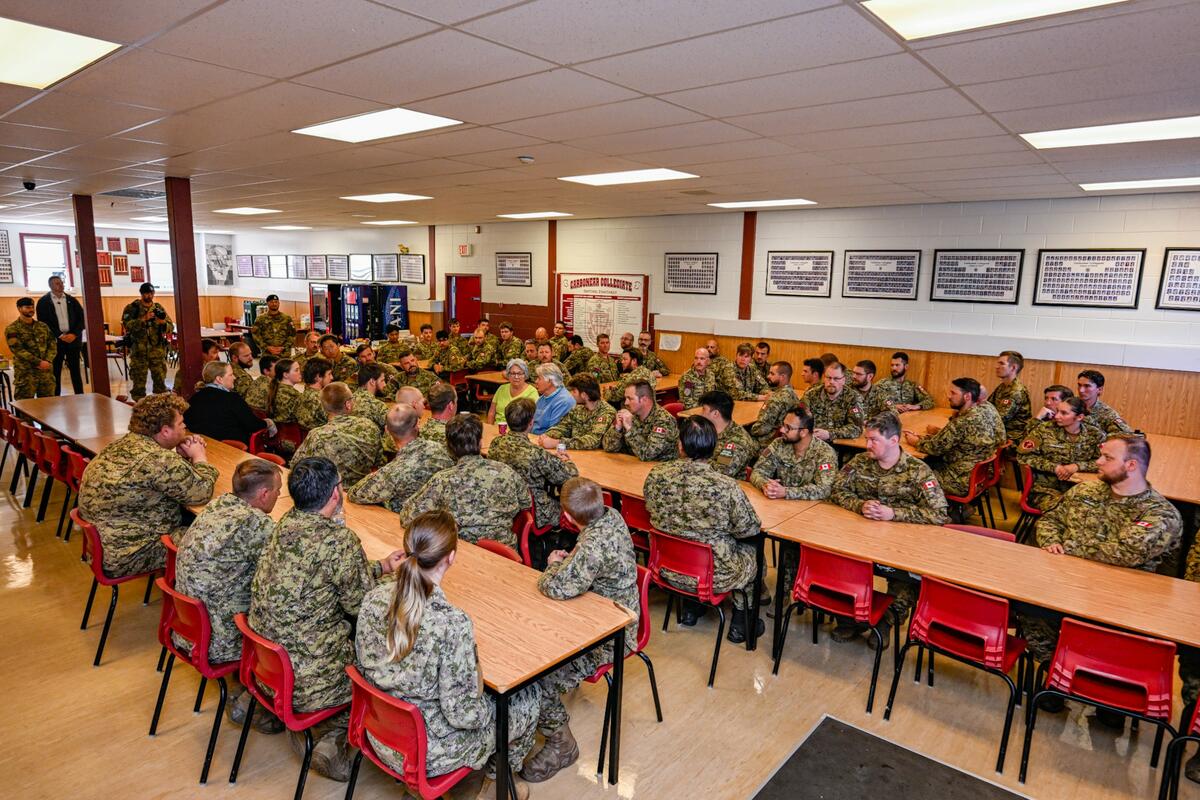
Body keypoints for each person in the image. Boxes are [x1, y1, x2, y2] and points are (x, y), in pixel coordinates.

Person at [354, 510, 542, 800]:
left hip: (379, 732)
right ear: (451, 557)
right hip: (428, 753)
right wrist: (490, 710)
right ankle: (492, 784)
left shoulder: (373, 598)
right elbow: (463, 713)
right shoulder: (452, 624)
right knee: (528, 697)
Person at [249, 456, 404, 782]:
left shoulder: (285, 523)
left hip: (268, 665)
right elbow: (363, 607)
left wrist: (379, 567)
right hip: (310, 677)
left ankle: (282, 717)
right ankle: (333, 736)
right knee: (387, 652)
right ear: (336, 494)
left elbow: (325, 574)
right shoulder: (338, 542)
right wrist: (398, 582)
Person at [1020, 436, 1182, 720]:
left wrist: (1067, 548)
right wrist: (1051, 541)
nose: (1097, 462)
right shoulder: (1086, 491)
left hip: (1125, 606)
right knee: (1032, 611)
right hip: (1069, 587)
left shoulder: (1161, 514)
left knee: (1105, 637)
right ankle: (1056, 673)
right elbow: (1048, 520)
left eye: (1107, 458)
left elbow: (1122, 552)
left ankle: (1109, 690)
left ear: (1131, 465)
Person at [525, 477, 639, 783]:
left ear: (569, 517)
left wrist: (552, 564)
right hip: (607, 612)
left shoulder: (592, 546)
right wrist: (572, 560)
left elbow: (556, 588)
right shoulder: (611, 515)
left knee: (537, 677)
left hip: (609, 635)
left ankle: (561, 744)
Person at [176, 459, 283, 727]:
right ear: (264, 494)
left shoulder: (217, 506)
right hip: (218, 638)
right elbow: (295, 568)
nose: (280, 495)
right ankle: (261, 695)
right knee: (291, 606)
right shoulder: (254, 523)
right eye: (278, 490)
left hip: (187, 626)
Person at [831, 412, 949, 643]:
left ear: (894, 441)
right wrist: (860, 505)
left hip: (901, 545)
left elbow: (939, 513)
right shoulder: (860, 462)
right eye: (867, 438)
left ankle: (886, 622)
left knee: (905, 580)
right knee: (840, 562)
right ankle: (849, 620)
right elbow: (836, 489)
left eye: (874, 440)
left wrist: (894, 513)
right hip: (861, 537)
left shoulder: (918, 471)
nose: (867, 445)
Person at [643, 416, 763, 643]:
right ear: (714, 448)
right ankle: (741, 622)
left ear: (680, 445)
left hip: (666, 569)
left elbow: (650, 509)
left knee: (684, 537)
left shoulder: (656, 475)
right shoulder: (725, 486)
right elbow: (749, 530)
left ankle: (691, 609)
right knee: (754, 552)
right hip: (714, 576)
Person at [79, 393, 218, 576]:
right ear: (165, 431)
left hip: (107, 546)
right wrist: (199, 457)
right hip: (132, 553)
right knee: (218, 539)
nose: (186, 427)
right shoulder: (158, 459)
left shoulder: (122, 445)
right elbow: (202, 492)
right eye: (181, 423)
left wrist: (179, 458)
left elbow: (155, 474)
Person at [400, 415, 530, 548]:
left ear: (448, 447)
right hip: (505, 554)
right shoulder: (506, 471)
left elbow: (408, 517)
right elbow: (526, 503)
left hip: (459, 552)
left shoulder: (442, 480)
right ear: (480, 442)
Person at [903, 378, 1005, 499]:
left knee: (907, 474)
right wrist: (926, 436)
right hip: (976, 475)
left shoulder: (963, 421)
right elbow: (948, 440)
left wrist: (915, 441)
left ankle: (935, 510)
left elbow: (935, 448)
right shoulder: (980, 412)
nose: (949, 396)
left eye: (953, 393)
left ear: (967, 397)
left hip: (958, 480)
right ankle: (957, 509)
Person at [488, 398, 579, 530]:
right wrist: (566, 461)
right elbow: (569, 476)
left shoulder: (496, 443)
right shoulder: (535, 453)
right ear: (531, 423)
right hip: (535, 510)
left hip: (504, 502)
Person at [349, 403, 453, 513]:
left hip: (407, 524)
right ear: (418, 423)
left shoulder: (393, 472)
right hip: (441, 520)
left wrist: (375, 474)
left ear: (387, 431)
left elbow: (355, 493)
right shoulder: (440, 449)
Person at [1017, 397, 1105, 510]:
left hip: (1081, 488)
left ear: (1079, 417)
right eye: (1057, 411)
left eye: (1063, 413)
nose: (1057, 416)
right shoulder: (1043, 430)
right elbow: (1023, 455)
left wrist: (1077, 466)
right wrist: (1055, 467)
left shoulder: (1095, 435)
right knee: (1071, 510)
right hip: (1046, 490)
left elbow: (1104, 462)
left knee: (1097, 510)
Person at [291, 383, 384, 486]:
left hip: (328, 493)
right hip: (361, 490)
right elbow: (379, 463)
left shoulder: (316, 435)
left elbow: (296, 465)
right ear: (348, 404)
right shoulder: (370, 427)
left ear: (324, 407)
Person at [750, 405, 838, 500]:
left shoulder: (825, 453)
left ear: (803, 432)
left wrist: (786, 492)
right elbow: (758, 472)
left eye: (788, 428)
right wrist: (766, 485)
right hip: (779, 505)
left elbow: (824, 489)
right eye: (783, 425)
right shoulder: (778, 444)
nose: (782, 430)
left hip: (810, 509)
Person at [183, 361, 270, 446]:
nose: (235, 377)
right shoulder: (232, 399)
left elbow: (186, 422)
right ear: (219, 379)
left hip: (202, 446)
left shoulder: (194, 398)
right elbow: (253, 425)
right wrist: (268, 423)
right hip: (233, 450)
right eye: (231, 375)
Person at [602, 380, 679, 461]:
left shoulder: (664, 421)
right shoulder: (630, 414)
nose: (626, 402)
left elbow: (646, 454)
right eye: (625, 398)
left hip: (658, 468)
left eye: (630, 398)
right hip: (633, 465)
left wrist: (629, 429)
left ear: (644, 399)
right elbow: (608, 447)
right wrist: (617, 428)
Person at [121, 282, 174, 398]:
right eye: (146, 293)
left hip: (157, 352)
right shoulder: (132, 308)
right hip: (139, 353)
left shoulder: (158, 308)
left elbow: (171, 327)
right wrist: (143, 319)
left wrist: (163, 323)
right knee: (138, 387)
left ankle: (160, 410)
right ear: (141, 294)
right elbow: (127, 326)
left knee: (160, 385)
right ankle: (139, 411)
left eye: (151, 293)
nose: (149, 296)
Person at [540, 374, 616, 451]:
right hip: (576, 454)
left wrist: (558, 443)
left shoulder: (606, 412)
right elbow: (562, 427)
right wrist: (547, 435)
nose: (571, 394)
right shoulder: (577, 409)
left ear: (584, 395)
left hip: (597, 458)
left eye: (574, 391)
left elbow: (592, 441)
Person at [35, 274, 85, 394]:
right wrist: (60, 335)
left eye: (62, 282)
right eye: (57, 283)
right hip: (55, 342)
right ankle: (56, 397)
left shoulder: (71, 300)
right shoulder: (43, 302)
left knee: (75, 371)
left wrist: (74, 334)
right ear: (50, 286)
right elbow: (43, 322)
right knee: (55, 371)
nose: (61, 285)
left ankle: (80, 395)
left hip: (73, 340)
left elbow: (82, 319)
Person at [697, 390, 756, 479]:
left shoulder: (738, 441)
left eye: (704, 409)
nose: (701, 414)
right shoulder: (707, 430)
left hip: (725, 488)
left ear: (715, 413)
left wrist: (697, 460)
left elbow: (722, 473)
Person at [6, 297, 56, 399]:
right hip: (26, 373)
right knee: (25, 406)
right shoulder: (12, 328)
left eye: (32, 307)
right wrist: (38, 362)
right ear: (19, 309)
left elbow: (52, 344)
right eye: (27, 307)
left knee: (48, 405)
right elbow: (17, 350)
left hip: (45, 373)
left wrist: (47, 360)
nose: (31, 310)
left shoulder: (42, 326)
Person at [804, 361, 865, 442]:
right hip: (812, 441)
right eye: (828, 377)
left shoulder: (853, 398)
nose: (831, 381)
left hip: (839, 445)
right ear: (824, 378)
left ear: (843, 380)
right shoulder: (811, 395)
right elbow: (798, 418)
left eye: (836, 378)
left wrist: (830, 434)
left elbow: (856, 428)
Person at [750, 361, 800, 448]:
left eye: (772, 374)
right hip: (785, 438)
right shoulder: (792, 394)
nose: (768, 376)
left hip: (769, 441)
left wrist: (749, 431)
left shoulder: (776, 399)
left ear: (782, 377)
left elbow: (761, 428)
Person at [988, 350, 1031, 442]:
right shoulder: (1003, 386)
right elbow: (988, 406)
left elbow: (1000, 419)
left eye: (1001, 364)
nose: (996, 367)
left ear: (1013, 368)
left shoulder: (1016, 391)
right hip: (999, 432)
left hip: (1012, 438)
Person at [1076, 369, 1133, 435]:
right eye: (1079, 385)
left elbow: (1126, 435)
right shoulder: (1069, 405)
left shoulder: (1107, 413)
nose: (1081, 390)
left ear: (1099, 389)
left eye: (1087, 386)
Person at [488, 358, 538, 427]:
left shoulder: (532, 392)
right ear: (508, 375)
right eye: (513, 373)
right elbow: (491, 412)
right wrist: (490, 427)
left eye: (520, 373)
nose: (516, 377)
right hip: (497, 428)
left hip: (518, 431)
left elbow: (533, 419)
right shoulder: (501, 388)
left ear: (525, 375)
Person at [531, 363, 575, 434]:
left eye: (539, 378)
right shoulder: (543, 397)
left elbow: (553, 433)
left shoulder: (564, 401)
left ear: (549, 381)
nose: (536, 381)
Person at [296, 356, 333, 431]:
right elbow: (334, 422)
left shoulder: (301, 394)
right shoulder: (322, 399)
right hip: (320, 439)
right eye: (329, 374)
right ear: (318, 377)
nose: (332, 377)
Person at [349, 363, 389, 430]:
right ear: (372, 381)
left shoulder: (348, 401)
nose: (385, 384)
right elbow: (394, 427)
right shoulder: (376, 405)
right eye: (382, 380)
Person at [266, 358, 304, 424]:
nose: (300, 372)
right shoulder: (295, 395)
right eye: (296, 370)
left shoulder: (274, 388)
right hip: (291, 432)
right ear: (286, 375)